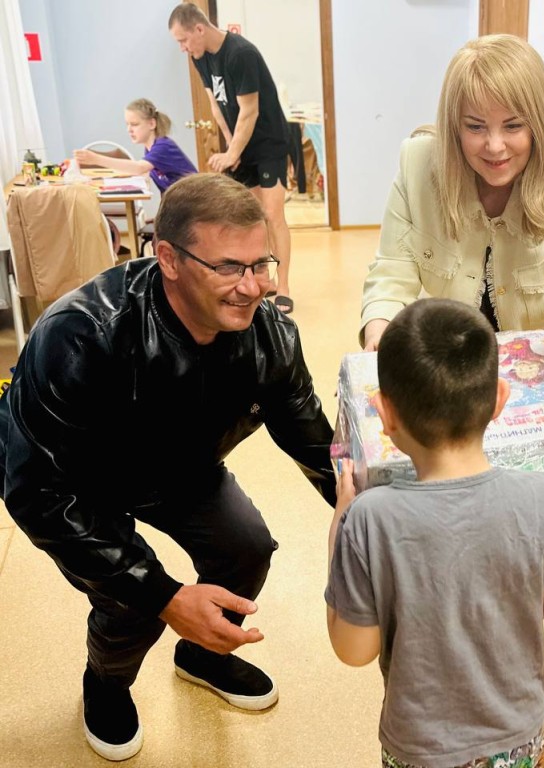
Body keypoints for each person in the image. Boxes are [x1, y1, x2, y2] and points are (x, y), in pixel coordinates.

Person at [0, 173, 337, 762]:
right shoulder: (81, 338)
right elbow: (39, 494)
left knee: (248, 546)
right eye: (230, 267)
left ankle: (205, 656)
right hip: (80, 485)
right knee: (132, 599)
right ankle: (104, 684)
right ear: (168, 259)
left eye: (263, 264)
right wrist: (166, 597)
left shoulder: (270, 337)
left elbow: (318, 446)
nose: (253, 287)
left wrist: (394, 518)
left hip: (182, 466)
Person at [326, 298, 544, 768]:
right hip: (517, 741)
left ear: (385, 413)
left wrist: (340, 523)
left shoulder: (369, 518)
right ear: (501, 399)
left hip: (418, 748)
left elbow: (353, 649)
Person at [359, 34, 544, 351]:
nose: (495, 146)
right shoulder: (418, 164)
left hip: (542, 370)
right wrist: (380, 335)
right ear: (454, 125)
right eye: (475, 127)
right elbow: (392, 272)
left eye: (513, 126)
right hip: (449, 363)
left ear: (538, 125)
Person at [168, 2, 295, 315]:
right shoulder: (201, 58)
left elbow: (249, 110)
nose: (183, 48)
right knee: (250, 217)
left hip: (268, 142)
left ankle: (285, 285)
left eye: (184, 40)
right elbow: (216, 105)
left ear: (199, 28)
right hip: (241, 143)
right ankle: (259, 280)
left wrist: (233, 152)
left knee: (272, 213)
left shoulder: (241, 54)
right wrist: (230, 150)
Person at [73, 98, 197, 194]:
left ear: (151, 124)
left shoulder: (163, 146)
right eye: (127, 124)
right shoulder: (150, 149)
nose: (129, 130)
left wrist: (96, 159)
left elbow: (139, 168)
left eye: (134, 124)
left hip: (195, 203)